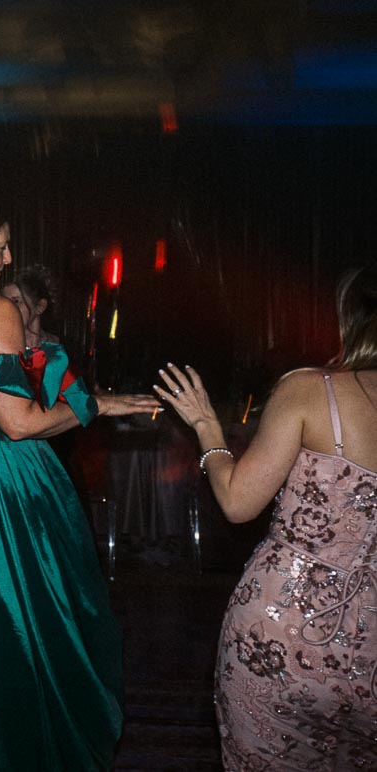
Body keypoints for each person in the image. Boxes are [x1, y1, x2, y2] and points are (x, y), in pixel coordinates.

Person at [0, 197, 159, 771]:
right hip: (3, 485)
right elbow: (21, 424)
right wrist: (96, 406)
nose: (9, 258)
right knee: (31, 622)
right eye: (0, 245)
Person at [155, 266, 377, 769]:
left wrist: (207, 427)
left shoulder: (311, 390)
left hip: (282, 634)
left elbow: (237, 502)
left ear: (352, 319)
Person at [0, 263, 61, 351]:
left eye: (16, 301)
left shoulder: (57, 348)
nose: (8, 308)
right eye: (5, 302)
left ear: (40, 307)